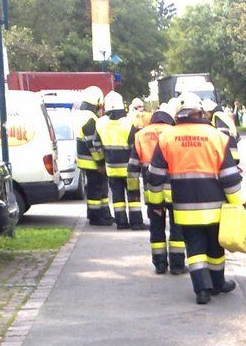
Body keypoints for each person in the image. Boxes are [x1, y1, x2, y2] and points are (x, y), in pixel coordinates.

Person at [145, 92, 244, 305]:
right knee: (215, 248)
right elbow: (229, 176)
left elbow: (155, 177)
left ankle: (202, 290)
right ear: (200, 112)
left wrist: (155, 203)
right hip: (215, 208)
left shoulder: (167, 138)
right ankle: (218, 283)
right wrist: (238, 204)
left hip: (184, 208)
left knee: (195, 249)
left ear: (177, 115)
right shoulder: (217, 137)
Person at [129, 102, 185, 274]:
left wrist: (133, 192)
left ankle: (160, 264)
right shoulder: (176, 134)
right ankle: (177, 265)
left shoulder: (140, 135)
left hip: (152, 191)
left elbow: (132, 168)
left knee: (156, 227)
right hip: (175, 190)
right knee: (177, 228)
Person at [95, 91, 144, 230]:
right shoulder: (129, 122)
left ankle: (121, 223)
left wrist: (101, 162)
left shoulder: (100, 123)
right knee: (133, 196)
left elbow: (96, 144)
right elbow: (135, 146)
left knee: (117, 197)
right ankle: (136, 223)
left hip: (111, 168)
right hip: (130, 168)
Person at [72, 86, 113, 226]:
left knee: (98, 188)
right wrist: (100, 162)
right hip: (92, 162)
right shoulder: (90, 118)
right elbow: (92, 144)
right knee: (96, 190)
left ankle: (103, 214)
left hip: (85, 161)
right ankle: (96, 218)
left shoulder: (81, 115)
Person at [202, 99, 240, 165]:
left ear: (209, 111)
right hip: (231, 155)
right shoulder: (222, 115)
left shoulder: (217, 116)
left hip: (227, 156)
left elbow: (221, 136)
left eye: (205, 113)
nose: (204, 116)